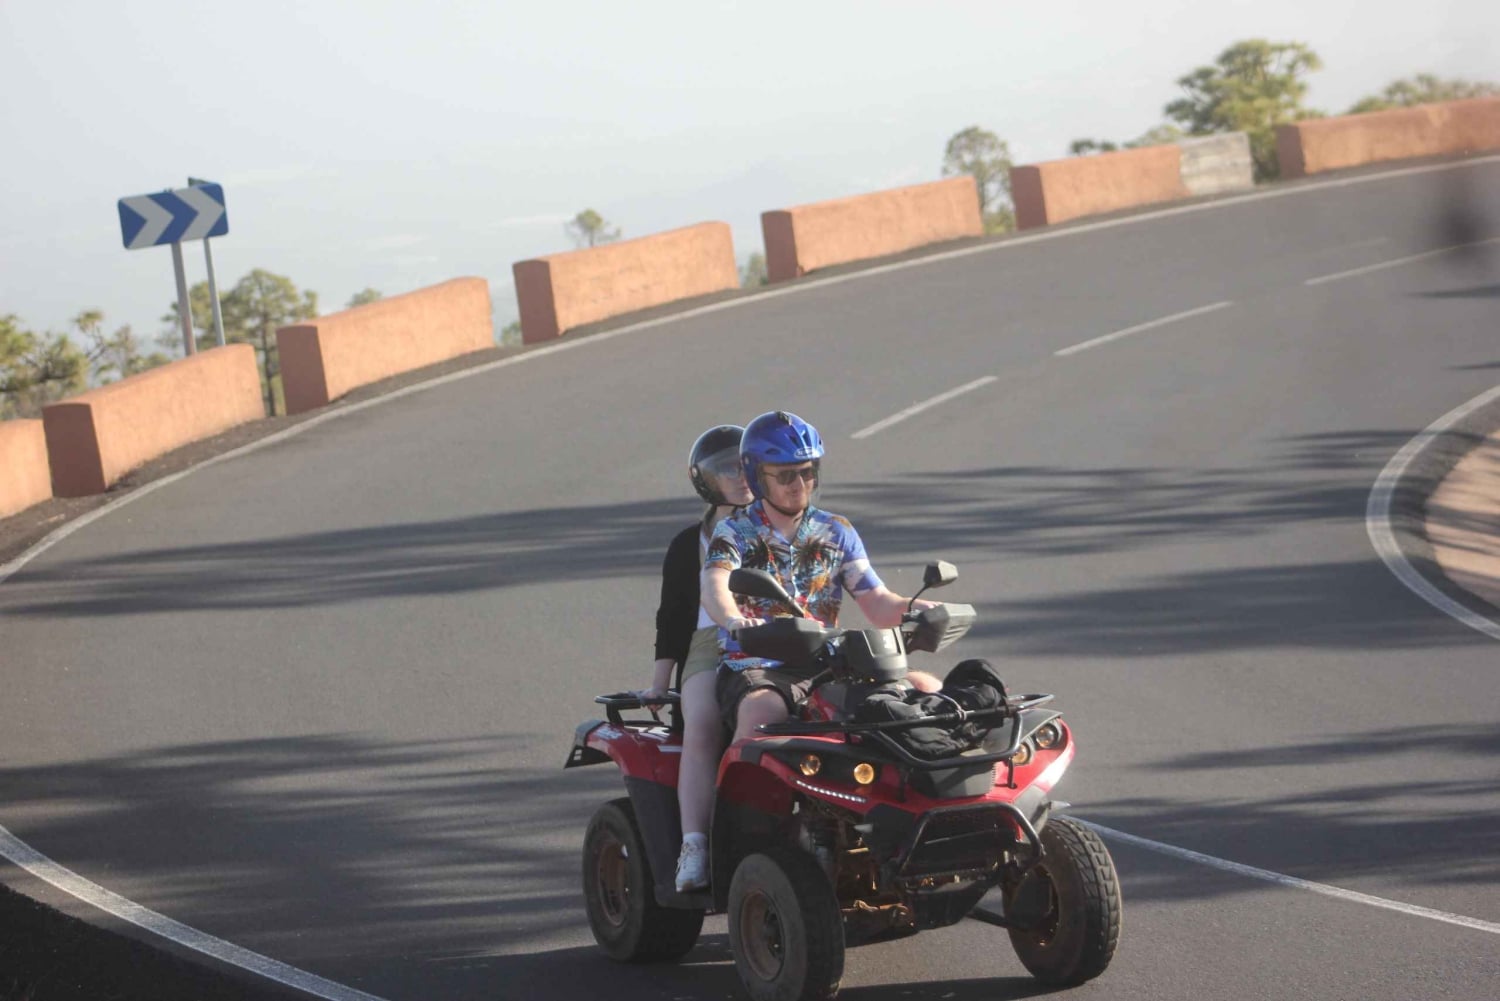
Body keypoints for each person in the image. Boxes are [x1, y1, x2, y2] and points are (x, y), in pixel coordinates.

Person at [701, 410, 941, 746]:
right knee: (762, 712)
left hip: (832, 663)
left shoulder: (836, 530)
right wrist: (735, 620)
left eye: (807, 472)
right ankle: (736, 797)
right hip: (756, 665)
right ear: (757, 477)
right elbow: (715, 584)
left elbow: (876, 601)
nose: (799, 485)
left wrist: (921, 610)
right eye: (785, 476)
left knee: (926, 691)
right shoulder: (734, 531)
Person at [639, 424, 753, 893]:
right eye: (728, 469)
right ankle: (695, 844)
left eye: (748, 465)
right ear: (707, 480)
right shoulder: (690, 543)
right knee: (703, 720)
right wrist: (660, 681)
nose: (742, 476)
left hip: (782, 640)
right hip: (713, 645)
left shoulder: (785, 526)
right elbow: (674, 617)